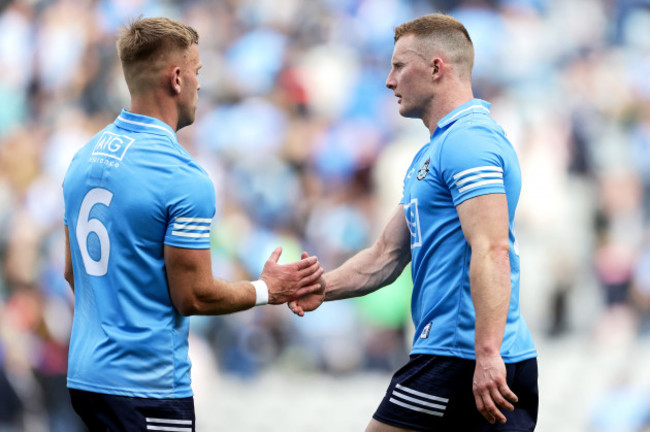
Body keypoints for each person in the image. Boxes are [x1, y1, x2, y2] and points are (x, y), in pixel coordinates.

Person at [62, 17, 323, 431]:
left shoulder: (84, 157)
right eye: (199, 72)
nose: (201, 84)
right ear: (177, 78)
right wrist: (267, 290)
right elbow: (194, 296)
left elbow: (71, 271)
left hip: (86, 377)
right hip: (147, 386)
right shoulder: (182, 175)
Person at [290, 13, 538, 432]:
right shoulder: (434, 151)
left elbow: (491, 247)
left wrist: (486, 353)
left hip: (459, 355)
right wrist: (317, 287)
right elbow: (386, 256)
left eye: (399, 66)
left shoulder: (469, 141)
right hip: (467, 355)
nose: (389, 81)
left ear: (437, 68)